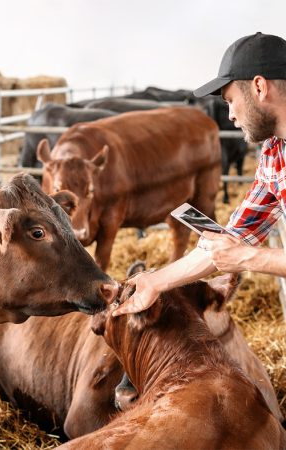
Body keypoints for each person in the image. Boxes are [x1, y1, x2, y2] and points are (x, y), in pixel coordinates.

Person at [113, 31, 286, 317]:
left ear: (259, 87)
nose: (230, 115)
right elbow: (234, 238)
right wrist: (154, 282)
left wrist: (247, 257)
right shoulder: (274, 152)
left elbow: (239, 251)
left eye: (230, 100)